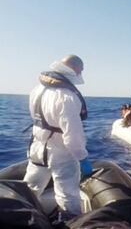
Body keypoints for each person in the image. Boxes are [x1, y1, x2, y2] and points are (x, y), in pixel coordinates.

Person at [23, 55, 92, 219]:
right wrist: (82, 158)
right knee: (67, 194)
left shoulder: (37, 90)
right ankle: (69, 223)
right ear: (74, 68)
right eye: (81, 69)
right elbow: (72, 135)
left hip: (37, 147)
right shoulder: (67, 96)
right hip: (60, 152)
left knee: (31, 186)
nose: (82, 72)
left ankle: (19, 217)